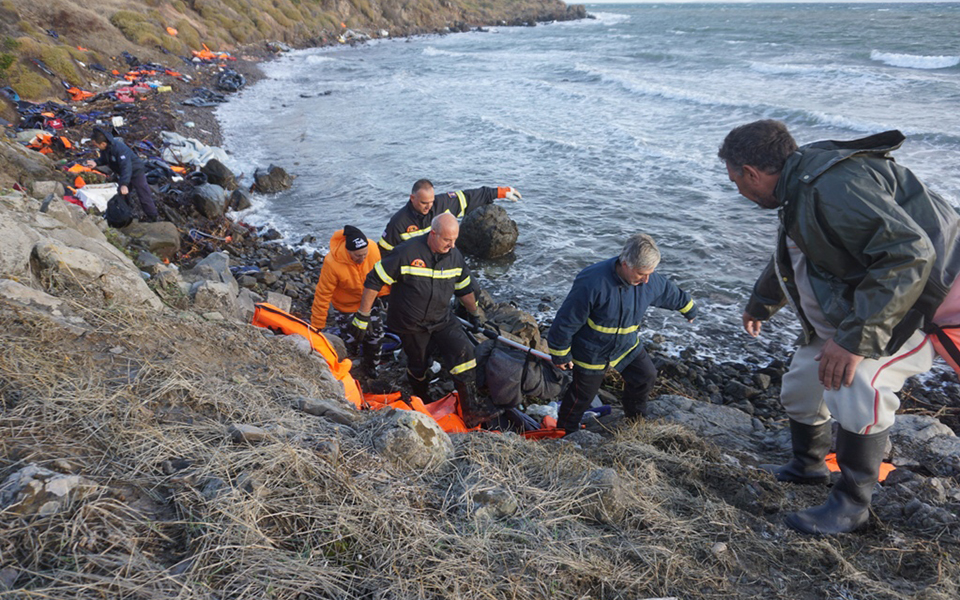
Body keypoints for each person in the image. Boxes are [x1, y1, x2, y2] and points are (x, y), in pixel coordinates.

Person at [719, 120, 960, 535]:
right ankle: (808, 466)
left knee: (859, 378)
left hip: (931, 303)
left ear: (752, 173)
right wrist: (762, 302)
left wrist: (853, 341)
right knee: (801, 382)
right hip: (879, 298)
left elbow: (909, 256)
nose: (738, 190)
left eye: (736, 181)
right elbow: (796, 250)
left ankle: (853, 504)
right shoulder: (802, 181)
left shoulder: (830, 186)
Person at [353, 213, 500, 427]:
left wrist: (474, 313)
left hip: (441, 318)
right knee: (419, 364)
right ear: (433, 234)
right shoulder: (407, 252)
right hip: (410, 322)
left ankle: (470, 409)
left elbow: (465, 287)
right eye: (447, 240)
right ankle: (422, 399)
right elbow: (374, 280)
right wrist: (362, 315)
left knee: (465, 352)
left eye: (454, 240)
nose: (451, 245)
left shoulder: (454, 256)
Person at [547, 233, 698, 434]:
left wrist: (688, 308)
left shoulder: (648, 280)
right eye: (641, 274)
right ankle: (566, 432)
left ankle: (635, 420)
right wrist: (560, 351)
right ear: (625, 264)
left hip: (626, 345)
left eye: (650, 273)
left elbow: (668, 292)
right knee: (582, 395)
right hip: (591, 349)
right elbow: (567, 318)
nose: (646, 280)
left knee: (646, 375)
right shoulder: (592, 280)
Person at [310, 225, 389, 378]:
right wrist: (317, 326)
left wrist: (384, 294)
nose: (362, 258)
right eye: (358, 255)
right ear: (348, 252)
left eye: (364, 254)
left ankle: (371, 367)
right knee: (352, 338)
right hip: (346, 307)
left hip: (369, 300)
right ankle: (349, 366)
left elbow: (382, 275)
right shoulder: (332, 262)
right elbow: (323, 294)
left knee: (376, 335)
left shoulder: (373, 248)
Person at [377, 179, 522, 256]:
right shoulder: (399, 222)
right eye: (423, 203)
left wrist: (501, 192)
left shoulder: (442, 204)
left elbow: (470, 197)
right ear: (412, 198)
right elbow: (383, 252)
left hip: (440, 259)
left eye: (431, 202)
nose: (428, 207)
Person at [85, 128, 159, 222]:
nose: (96, 147)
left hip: (135, 171)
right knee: (122, 194)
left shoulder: (119, 149)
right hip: (123, 173)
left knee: (143, 192)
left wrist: (124, 184)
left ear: (103, 143)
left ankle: (152, 216)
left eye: (96, 145)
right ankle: (126, 215)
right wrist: (96, 163)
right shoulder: (106, 149)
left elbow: (126, 167)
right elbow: (104, 159)